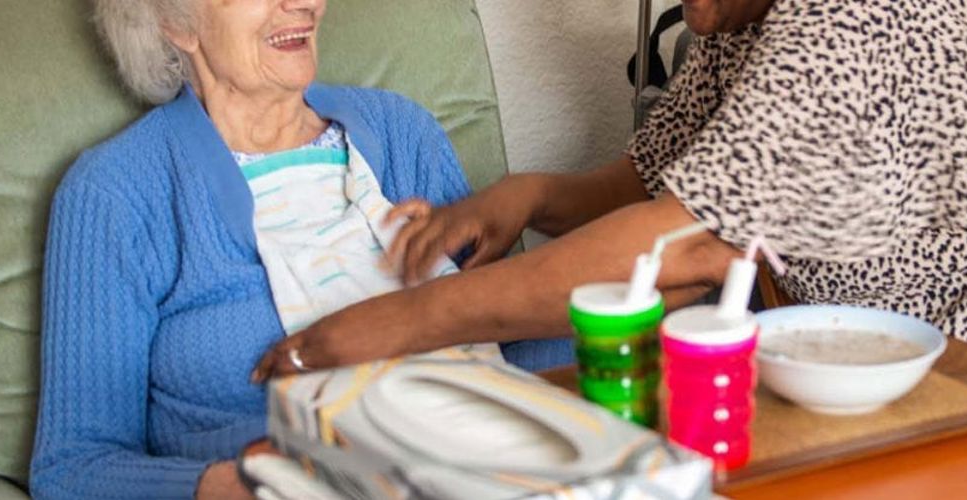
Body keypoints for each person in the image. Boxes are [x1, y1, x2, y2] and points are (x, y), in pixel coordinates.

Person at [254, 0, 967, 497]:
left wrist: (385, 326)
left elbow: (688, 242)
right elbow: (656, 182)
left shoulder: (857, 12)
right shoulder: (738, 29)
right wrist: (525, 195)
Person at [30, 0, 568, 498]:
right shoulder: (116, 193)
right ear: (176, 21)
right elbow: (73, 466)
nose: (304, 1)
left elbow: (509, 336)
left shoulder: (401, 133)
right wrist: (230, 486)